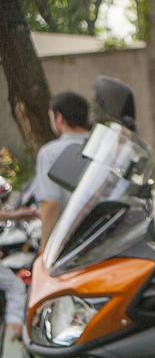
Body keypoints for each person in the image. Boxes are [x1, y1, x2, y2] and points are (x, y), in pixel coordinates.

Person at [31, 91, 91, 249]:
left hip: (70, 243)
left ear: (59, 117)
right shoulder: (102, 145)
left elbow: (50, 204)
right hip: (107, 235)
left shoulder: (50, 152)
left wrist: (44, 250)